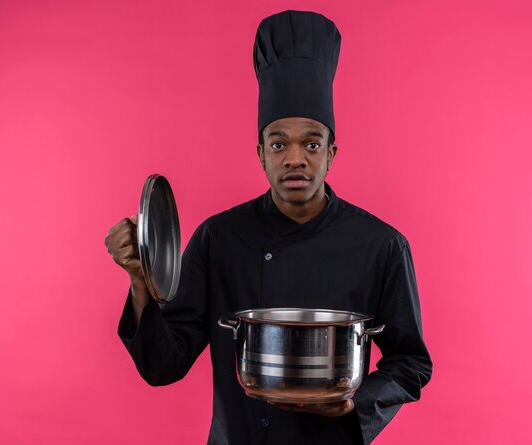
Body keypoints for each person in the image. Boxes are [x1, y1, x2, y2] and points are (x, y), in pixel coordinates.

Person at [105, 10, 432, 445]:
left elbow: (410, 363)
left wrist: (355, 406)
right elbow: (163, 366)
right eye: (279, 144)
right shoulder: (218, 239)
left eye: (311, 144)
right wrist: (139, 279)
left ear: (331, 152)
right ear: (260, 151)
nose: (295, 158)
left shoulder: (382, 245)